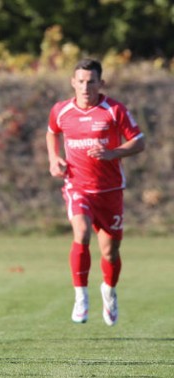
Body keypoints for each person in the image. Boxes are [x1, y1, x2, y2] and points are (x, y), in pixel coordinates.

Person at [45, 58, 145, 326]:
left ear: (101, 83)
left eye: (91, 81)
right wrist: (54, 159)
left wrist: (113, 152)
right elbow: (52, 132)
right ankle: (81, 296)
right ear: (72, 82)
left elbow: (139, 141)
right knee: (81, 232)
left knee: (110, 251)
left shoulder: (114, 110)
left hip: (110, 191)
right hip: (77, 186)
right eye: (81, 81)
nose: (85, 86)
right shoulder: (61, 110)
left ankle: (109, 292)